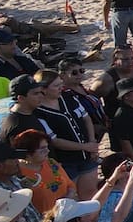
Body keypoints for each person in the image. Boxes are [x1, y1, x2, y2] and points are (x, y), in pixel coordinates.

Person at [34, 67, 99, 198]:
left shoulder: (68, 97)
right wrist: (85, 147)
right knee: (70, 197)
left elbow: (86, 118)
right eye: (56, 85)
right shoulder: (39, 112)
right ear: (43, 89)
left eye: (61, 83)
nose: (61, 87)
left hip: (87, 156)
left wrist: (92, 142)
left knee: (91, 194)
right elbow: (54, 140)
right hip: (66, 161)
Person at [12, 128, 70, 215]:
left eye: (47, 147)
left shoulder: (51, 163)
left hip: (66, 214)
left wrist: (66, 202)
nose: (48, 151)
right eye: (42, 148)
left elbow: (70, 185)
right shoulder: (17, 174)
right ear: (28, 153)